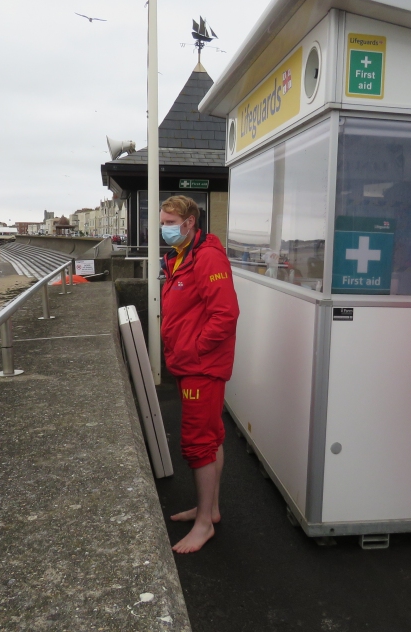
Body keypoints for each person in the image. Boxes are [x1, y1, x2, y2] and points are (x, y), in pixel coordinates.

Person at [159, 195, 239, 554]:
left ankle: (204, 524)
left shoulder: (206, 257)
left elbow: (226, 314)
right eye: (163, 221)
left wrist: (194, 349)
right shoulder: (183, 256)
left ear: (190, 223)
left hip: (200, 369)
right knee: (212, 436)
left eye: (170, 222)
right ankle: (210, 510)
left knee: (198, 443)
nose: (164, 228)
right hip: (190, 364)